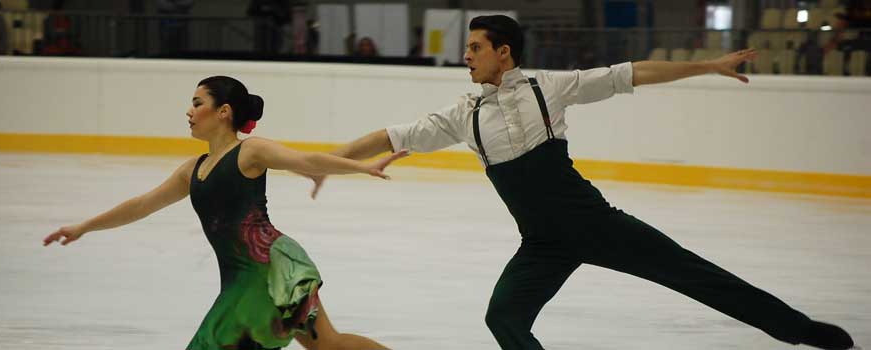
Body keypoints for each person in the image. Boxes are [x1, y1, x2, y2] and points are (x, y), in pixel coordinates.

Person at [305, 15, 858, 350]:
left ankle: (797, 328)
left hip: (597, 225)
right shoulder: (463, 114)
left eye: (475, 47)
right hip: (541, 244)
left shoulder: (552, 87)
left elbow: (631, 74)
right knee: (503, 318)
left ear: (503, 51)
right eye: (467, 48)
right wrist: (326, 161)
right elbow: (389, 134)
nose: (465, 56)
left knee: (693, 274)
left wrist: (706, 66)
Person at [42, 76, 398, 350]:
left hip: (266, 270)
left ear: (223, 111)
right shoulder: (192, 170)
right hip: (248, 274)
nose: (189, 111)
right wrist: (85, 226)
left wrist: (362, 167)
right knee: (329, 345)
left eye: (198, 103)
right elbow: (142, 204)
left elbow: (305, 160)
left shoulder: (250, 152)